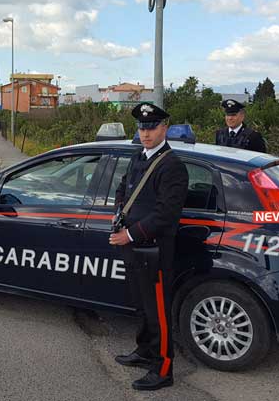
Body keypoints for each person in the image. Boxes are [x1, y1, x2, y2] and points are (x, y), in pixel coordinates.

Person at [109, 102, 189, 391]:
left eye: (151, 127)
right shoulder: (138, 157)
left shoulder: (172, 166)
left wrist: (129, 235)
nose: (145, 133)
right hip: (134, 249)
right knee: (142, 307)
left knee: (159, 314)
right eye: (142, 127)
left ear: (164, 128)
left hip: (154, 250)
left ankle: (163, 368)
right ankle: (144, 351)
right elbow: (123, 188)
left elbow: (165, 216)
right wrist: (119, 212)